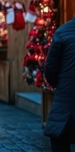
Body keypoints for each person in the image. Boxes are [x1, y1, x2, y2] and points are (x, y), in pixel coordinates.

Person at [44, 18, 75, 151]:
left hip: (65, 101)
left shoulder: (63, 32)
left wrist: (61, 85)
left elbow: (50, 69)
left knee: (60, 143)